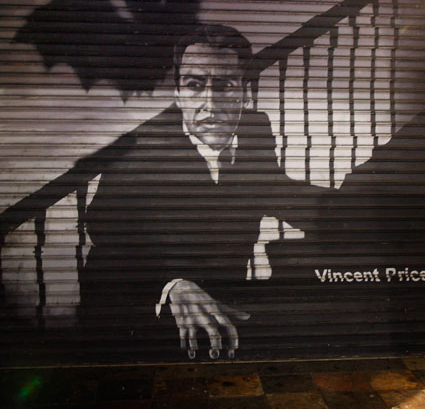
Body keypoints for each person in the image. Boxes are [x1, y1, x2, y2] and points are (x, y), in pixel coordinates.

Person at [78, 24, 324, 361]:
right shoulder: (136, 149)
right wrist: (172, 283)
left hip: (222, 300)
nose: (210, 102)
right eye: (195, 85)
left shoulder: (255, 128)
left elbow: (269, 186)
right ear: (178, 94)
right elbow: (106, 231)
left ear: (245, 93)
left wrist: (348, 211)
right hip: (139, 315)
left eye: (225, 86)